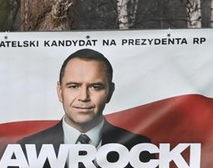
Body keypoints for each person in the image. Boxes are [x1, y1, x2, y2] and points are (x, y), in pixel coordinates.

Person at [20, 48, 153, 149]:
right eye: (73, 86)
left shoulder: (138, 147)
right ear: (60, 92)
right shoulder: (27, 148)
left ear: (110, 92)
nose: (84, 97)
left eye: (95, 87)